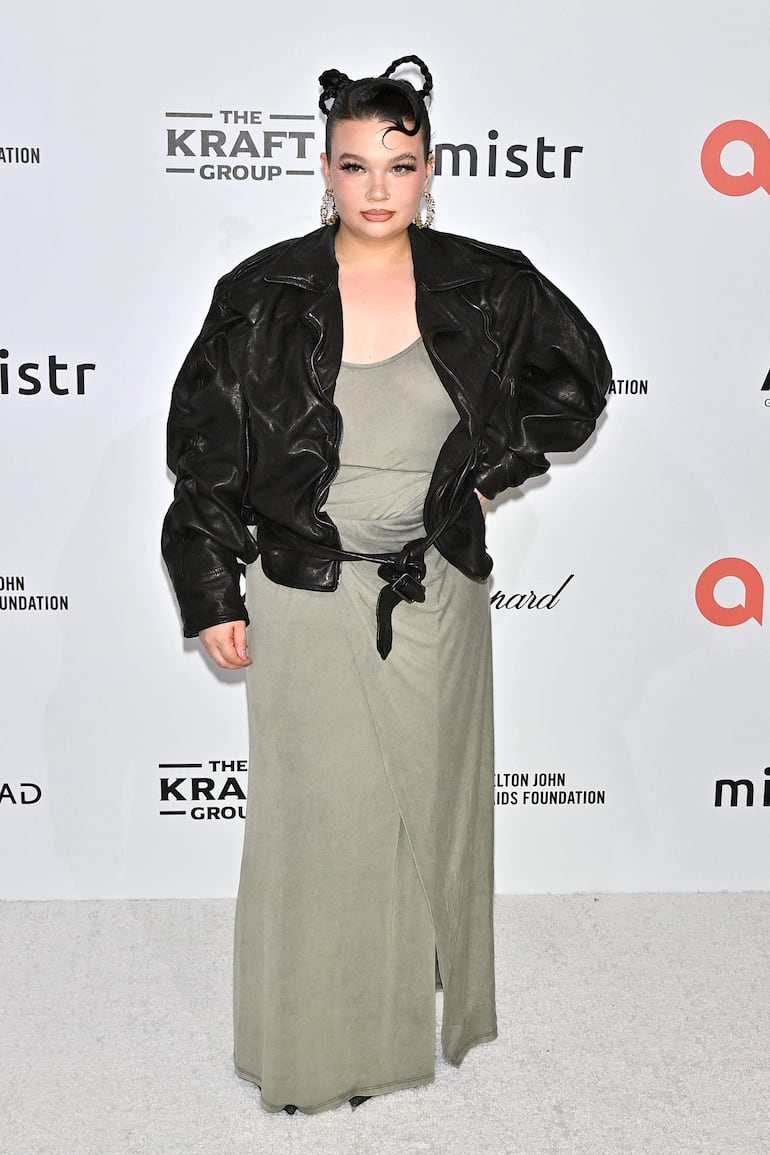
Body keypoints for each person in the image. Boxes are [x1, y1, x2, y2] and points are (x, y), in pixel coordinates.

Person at [161, 54, 611, 1116]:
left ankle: (405, 1034)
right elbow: (207, 453)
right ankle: (315, 1052)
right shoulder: (262, 293)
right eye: (354, 165)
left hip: (436, 593)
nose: (375, 188)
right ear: (324, 168)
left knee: (428, 816)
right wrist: (212, 591)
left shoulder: (488, 283)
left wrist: (485, 471)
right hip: (305, 590)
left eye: (397, 166)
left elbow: (574, 390)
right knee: (319, 820)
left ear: (426, 169)